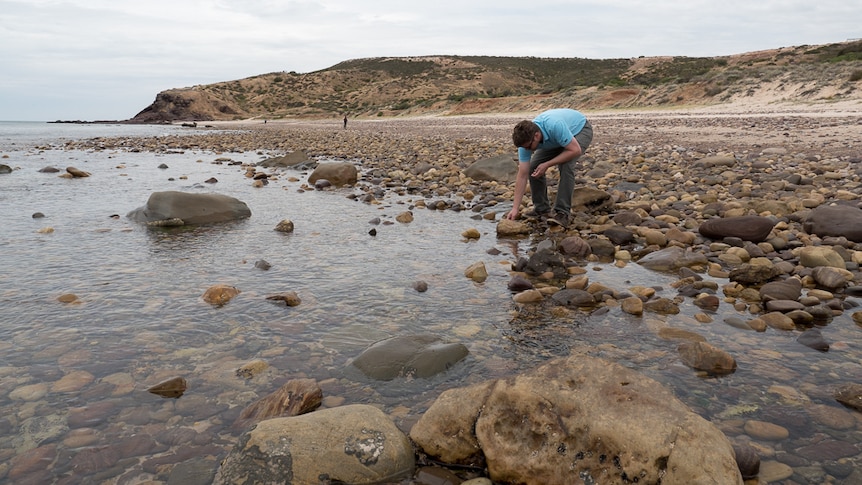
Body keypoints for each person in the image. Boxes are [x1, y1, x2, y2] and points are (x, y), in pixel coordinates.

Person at [506, 108, 593, 227]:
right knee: (533, 167)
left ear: (536, 136)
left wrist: (547, 164)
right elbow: (522, 175)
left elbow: (575, 150)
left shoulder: (554, 125)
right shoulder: (525, 142)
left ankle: (562, 213)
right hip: (557, 139)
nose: (527, 150)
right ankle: (542, 209)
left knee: (566, 165)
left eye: (529, 147)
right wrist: (515, 209)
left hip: (579, 130)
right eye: (525, 148)